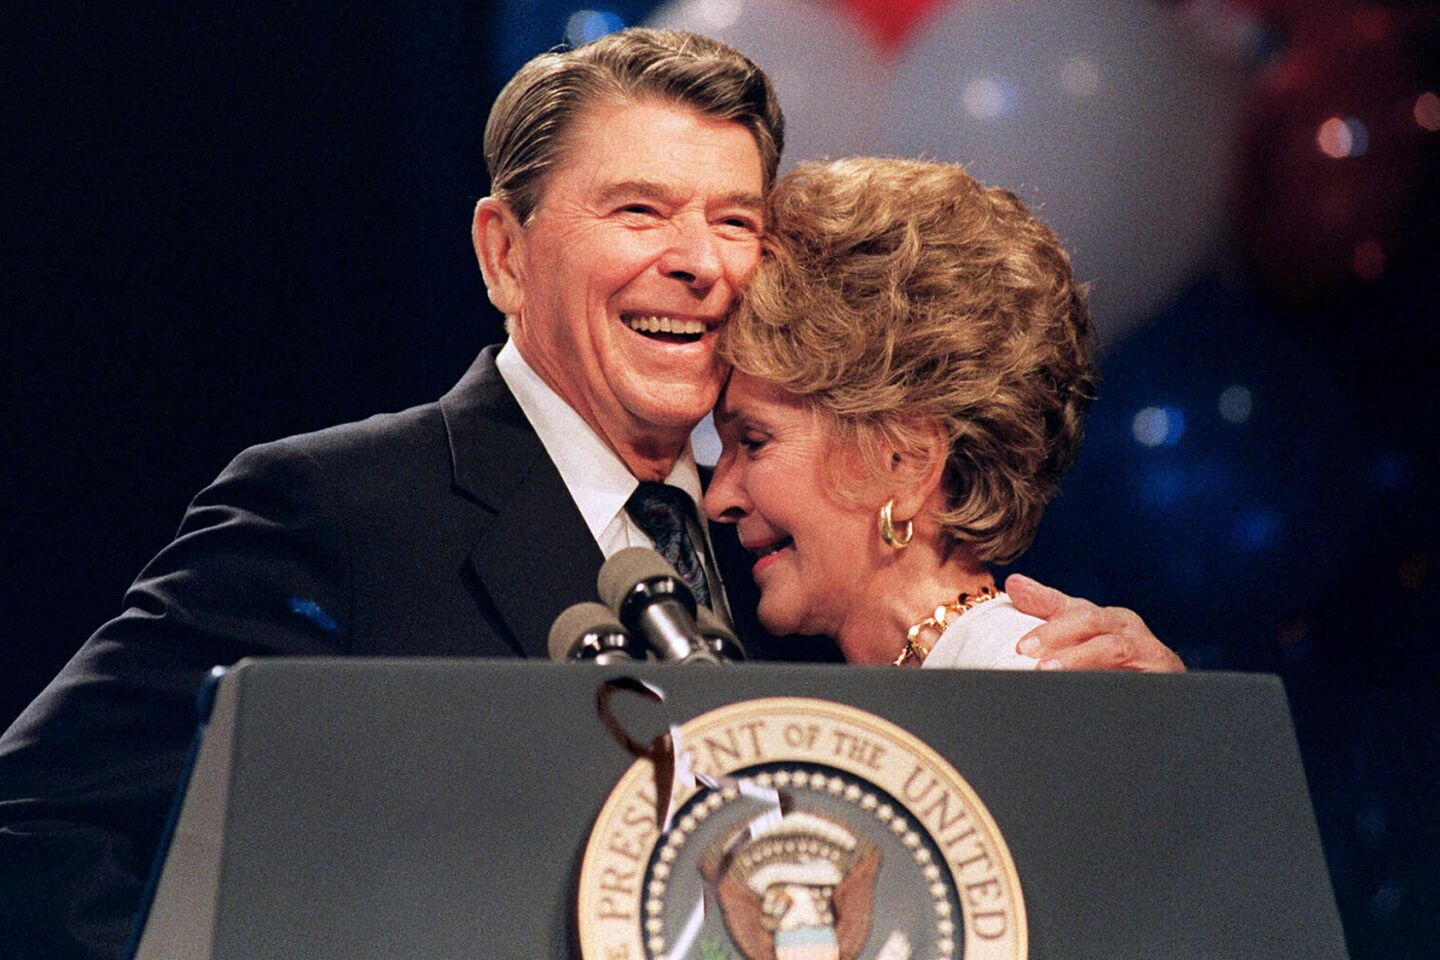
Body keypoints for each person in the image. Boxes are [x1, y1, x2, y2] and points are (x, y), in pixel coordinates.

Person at [0, 30, 1176, 960]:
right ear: (504, 253)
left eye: (734, 221)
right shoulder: (341, 512)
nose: (699, 260)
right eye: (639, 210)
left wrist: (1156, 734)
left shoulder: (791, 564)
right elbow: (38, 838)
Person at [705, 157, 1187, 670]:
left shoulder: (1036, 678)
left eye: (754, 442)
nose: (717, 499)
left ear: (906, 461)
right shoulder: (918, 676)